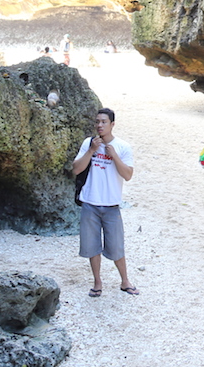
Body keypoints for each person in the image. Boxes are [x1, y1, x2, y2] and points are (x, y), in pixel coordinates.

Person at [71, 108, 137, 296]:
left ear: (112, 124)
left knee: (116, 246)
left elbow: (128, 175)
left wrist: (114, 156)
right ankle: (97, 282)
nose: (100, 125)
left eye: (104, 122)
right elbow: (76, 169)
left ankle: (125, 281)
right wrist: (92, 150)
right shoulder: (89, 143)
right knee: (92, 246)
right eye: (97, 122)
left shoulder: (123, 147)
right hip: (90, 202)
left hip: (111, 205)